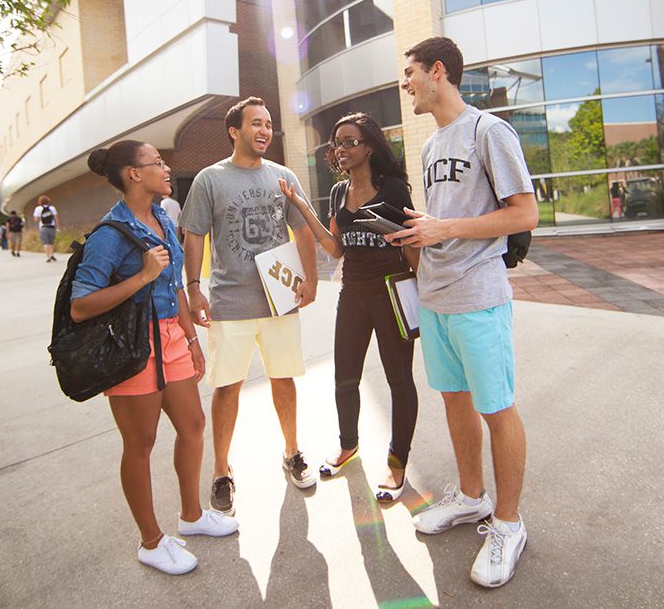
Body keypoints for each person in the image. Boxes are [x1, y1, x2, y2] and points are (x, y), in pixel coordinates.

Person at [389, 37, 539, 588]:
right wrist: (419, 228)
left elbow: (525, 214)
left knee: (496, 407)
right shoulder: (430, 146)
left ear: (437, 71)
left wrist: (445, 228)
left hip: (479, 295)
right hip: (436, 297)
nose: (404, 84)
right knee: (455, 402)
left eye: (409, 73)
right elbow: (449, 216)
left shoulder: (488, 130)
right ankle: (472, 498)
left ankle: (508, 523)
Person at [72, 140, 238, 575]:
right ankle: (150, 541)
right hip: (133, 346)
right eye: (157, 163)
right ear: (133, 174)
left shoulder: (162, 217)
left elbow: (174, 285)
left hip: (170, 336)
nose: (166, 169)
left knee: (194, 425)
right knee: (141, 444)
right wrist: (141, 275)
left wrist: (190, 337)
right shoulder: (110, 235)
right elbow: (81, 304)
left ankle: (192, 516)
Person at [181, 96, 319, 516]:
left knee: (283, 378)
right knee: (228, 387)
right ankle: (221, 471)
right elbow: (194, 236)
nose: (264, 130)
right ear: (234, 131)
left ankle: (292, 451)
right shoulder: (210, 179)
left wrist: (311, 280)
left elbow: (304, 231)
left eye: (268, 124)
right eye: (255, 123)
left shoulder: (283, 175)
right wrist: (194, 288)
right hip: (230, 300)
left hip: (279, 299)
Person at [279, 112, 419, 503]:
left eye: (349, 142)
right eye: (336, 143)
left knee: (399, 381)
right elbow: (336, 247)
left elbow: (411, 244)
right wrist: (303, 208)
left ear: (369, 146)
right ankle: (348, 446)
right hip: (353, 294)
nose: (340, 149)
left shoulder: (392, 188)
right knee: (345, 377)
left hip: (390, 292)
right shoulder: (340, 193)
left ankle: (397, 464)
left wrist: (426, 291)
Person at [33, 195, 59, 261]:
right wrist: (57, 227)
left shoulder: (38, 209)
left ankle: (48, 257)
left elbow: (36, 219)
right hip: (51, 227)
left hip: (43, 227)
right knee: (51, 242)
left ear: (40, 201)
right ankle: (52, 254)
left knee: (45, 242)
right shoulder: (52, 208)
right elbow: (56, 218)